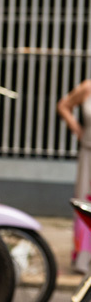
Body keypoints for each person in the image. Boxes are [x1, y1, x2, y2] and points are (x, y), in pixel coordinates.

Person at [57, 81, 91, 273]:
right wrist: (76, 129)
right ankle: (83, 256)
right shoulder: (87, 88)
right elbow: (63, 105)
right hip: (88, 153)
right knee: (84, 203)